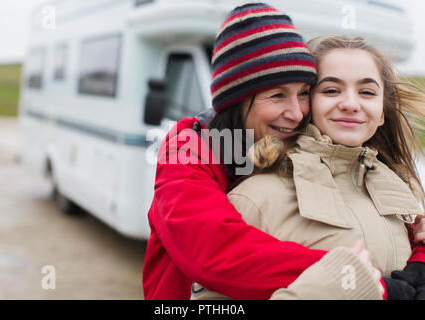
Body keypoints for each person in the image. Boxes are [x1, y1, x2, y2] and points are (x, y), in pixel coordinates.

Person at [142, 3, 391, 300]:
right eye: (277, 96)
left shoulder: (280, 144)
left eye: (303, 94)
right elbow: (214, 253)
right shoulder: (188, 153)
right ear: (236, 101)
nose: (297, 113)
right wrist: (351, 277)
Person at [191, 35, 425, 300]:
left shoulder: (402, 197)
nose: (350, 103)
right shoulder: (256, 198)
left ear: (381, 112)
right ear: (305, 103)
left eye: (367, 92)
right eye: (331, 90)